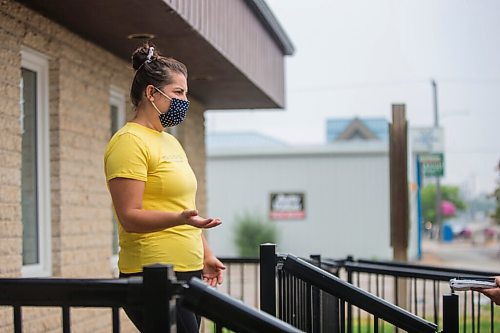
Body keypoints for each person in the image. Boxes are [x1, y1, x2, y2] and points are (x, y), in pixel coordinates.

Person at [104, 43, 225, 332]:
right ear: (151, 93)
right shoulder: (129, 142)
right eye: (178, 93)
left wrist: (206, 254)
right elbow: (130, 217)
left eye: (186, 93)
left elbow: (182, 208)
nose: (185, 101)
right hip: (151, 275)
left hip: (188, 270)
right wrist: (179, 219)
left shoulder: (171, 142)